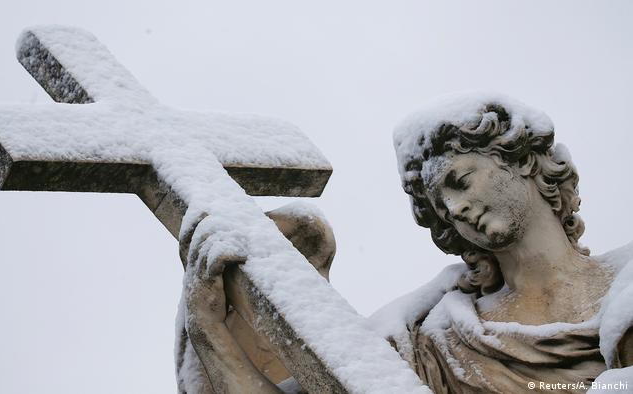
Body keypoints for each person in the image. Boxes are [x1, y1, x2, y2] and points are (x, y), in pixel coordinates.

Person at [177, 93, 633, 393]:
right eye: (440, 206)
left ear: (522, 162)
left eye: (460, 181)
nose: (454, 209)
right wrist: (210, 332)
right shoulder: (436, 341)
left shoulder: (626, 285)